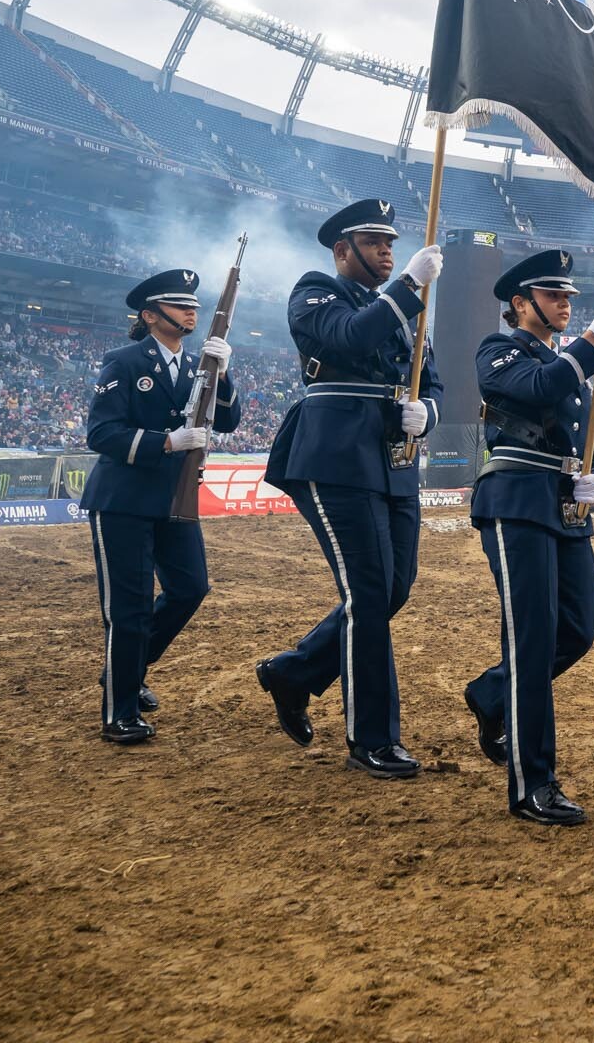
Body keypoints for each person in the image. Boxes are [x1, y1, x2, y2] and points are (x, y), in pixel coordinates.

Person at [255, 199, 445, 780]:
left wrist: (427, 413)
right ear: (343, 251)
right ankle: (372, 736)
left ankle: (295, 672)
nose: (388, 251)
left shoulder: (405, 311)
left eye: (391, 242)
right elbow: (350, 338)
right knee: (368, 592)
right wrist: (410, 284)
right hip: (335, 458)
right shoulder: (315, 290)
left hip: (393, 460)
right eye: (375, 242)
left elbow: (430, 380)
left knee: (393, 589)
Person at [460, 248, 594, 825]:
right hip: (516, 502)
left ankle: (493, 693)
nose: (565, 304)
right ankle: (534, 785)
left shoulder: (566, 361)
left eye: (569, 297)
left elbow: (585, 430)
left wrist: (593, 471)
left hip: (562, 506)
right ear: (521, 303)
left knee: (579, 627)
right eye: (554, 296)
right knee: (532, 640)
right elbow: (536, 387)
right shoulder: (499, 350)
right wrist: (589, 350)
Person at [79, 267, 241, 745]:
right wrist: (165, 441)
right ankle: (119, 712)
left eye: (193, 304)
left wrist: (224, 373)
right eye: (179, 304)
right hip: (125, 500)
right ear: (151, 315)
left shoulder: (198, 366)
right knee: (127, 609)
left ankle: (126, 669)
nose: (192, 310)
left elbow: (229, 420)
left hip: (174, 500)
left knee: (191, 588)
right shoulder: (124, 362)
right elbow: (101, 434)